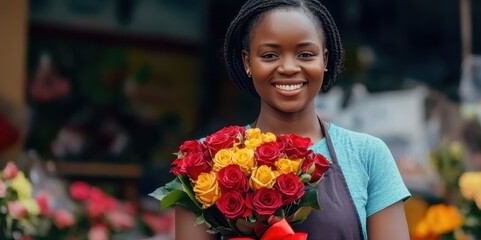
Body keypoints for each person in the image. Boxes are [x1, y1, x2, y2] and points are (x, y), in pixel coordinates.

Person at [175, 0, 411, 239]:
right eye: (270, 55)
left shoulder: (367, 155)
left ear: (325, 60)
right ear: (248, 62)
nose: (288, 67)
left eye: (305, 54)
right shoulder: (204, 162)